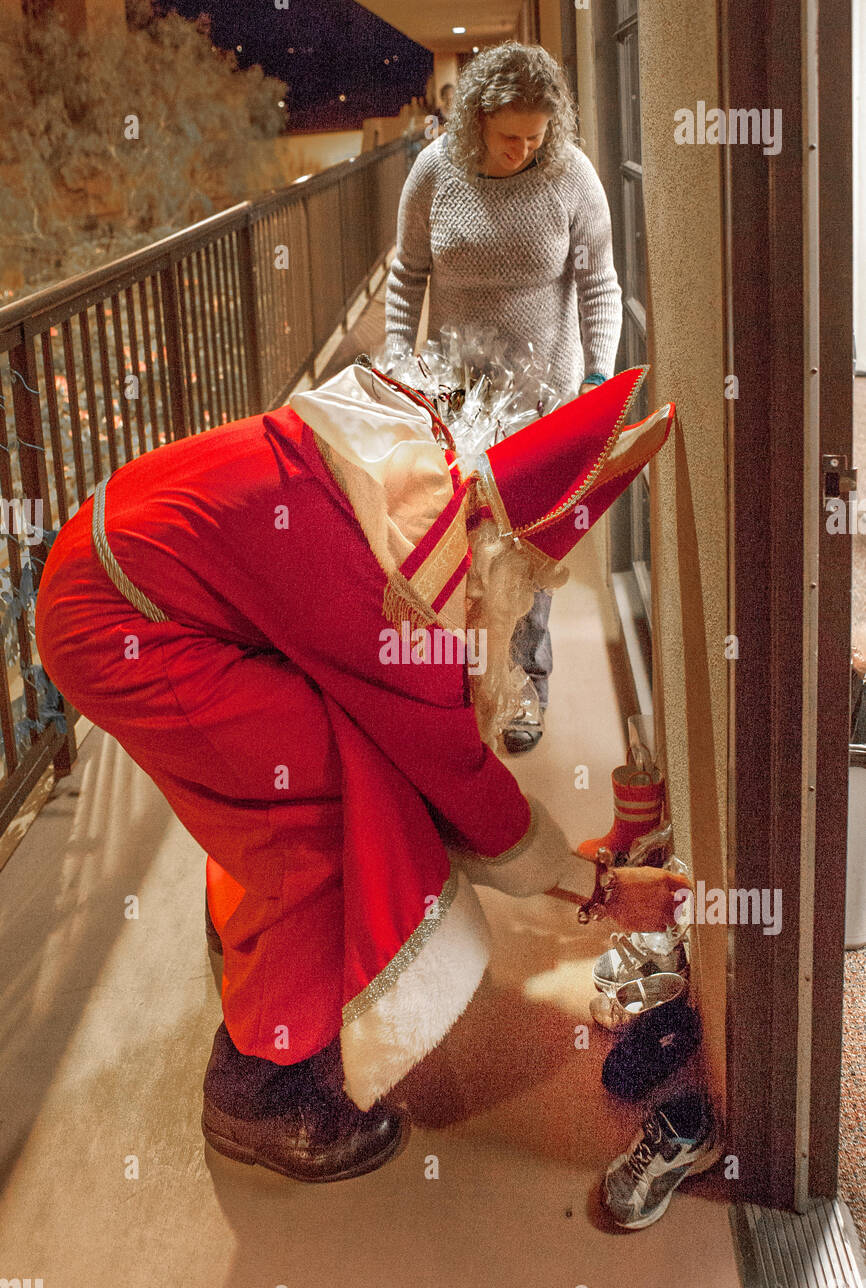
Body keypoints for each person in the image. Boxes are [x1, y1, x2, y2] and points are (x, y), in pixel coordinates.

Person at [34, 358, 677, 1186]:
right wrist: (590, 884)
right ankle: (255, 1086)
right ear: (491, 564)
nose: (506, 619)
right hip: (116, 621)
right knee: (319, 802)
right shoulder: (400, 599)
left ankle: (249, 936)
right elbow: (451, 771)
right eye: (519, 591)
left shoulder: (395, 501)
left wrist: (567, 874)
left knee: (303, 768)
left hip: (119, 571)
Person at [385, 41, 623, 754]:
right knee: (457, 550)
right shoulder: (435, 173)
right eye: (508, 137)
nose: (523, 150)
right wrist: (401, 372)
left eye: (536, 136)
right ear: (477, 124)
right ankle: (461, 690)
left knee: (526, 553)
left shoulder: (569, 175)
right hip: (454, 399)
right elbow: (405, 279)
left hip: (544, 399)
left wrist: (596, 380)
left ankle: (525, 692)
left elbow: (600, 283)